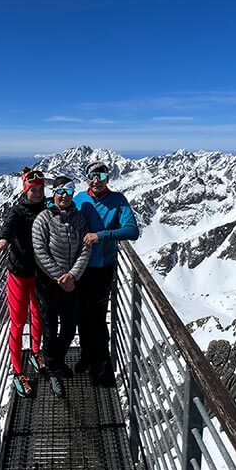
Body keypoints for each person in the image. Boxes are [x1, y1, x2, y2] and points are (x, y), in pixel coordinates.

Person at [73, 161, 140, 384]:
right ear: (86, 178)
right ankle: (86, 355)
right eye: (92, 175)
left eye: (101, 175)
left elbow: (132, 231)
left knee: (98, 317)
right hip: (79, 267)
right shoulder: (79, 199)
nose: (97, 179)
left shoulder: (118, 200)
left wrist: (100, 236)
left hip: (102, 268)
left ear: (108, 178)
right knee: (82, 314)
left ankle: (99, 361)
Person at [0, 168, 47, 397]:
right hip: (19, 274)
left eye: (41, 189)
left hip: (40, 274)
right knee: (19, 321)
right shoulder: (17, 211)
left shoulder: (48, 209)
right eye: (34, 190)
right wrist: (3, 240)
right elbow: (8, 228)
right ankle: (18, 370)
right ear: (26, 190)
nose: (38, 193)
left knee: (38, 315)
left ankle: (35, 351)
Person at [31, 176, 91, 398]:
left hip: (72, 282)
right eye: (59, 191)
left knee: (69, 326)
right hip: (49, 284)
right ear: (53, 193)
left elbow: (85, 249)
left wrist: (73, 275)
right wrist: (61, 277)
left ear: (73, 194)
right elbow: (40, 251)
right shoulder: (43, 219)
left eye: (68, 191)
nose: (63, 195)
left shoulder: (79, 219)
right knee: (49, 327)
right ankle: (53, 370)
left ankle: (57, 361)